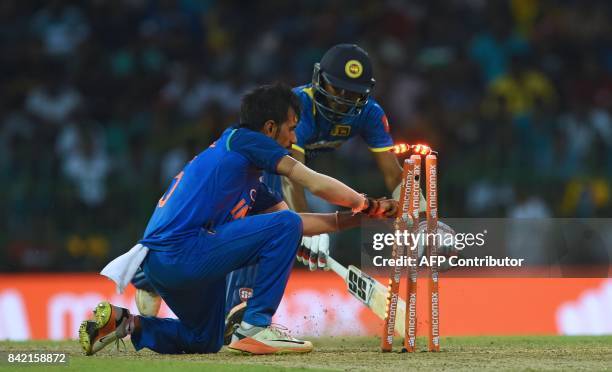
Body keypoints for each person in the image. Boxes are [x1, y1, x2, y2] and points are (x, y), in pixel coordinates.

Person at [79, 83, 397, 356]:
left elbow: (296, 220)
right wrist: (365, 202)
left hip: (166, 265)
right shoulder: (245, 139)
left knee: (205, 340)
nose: (294, 135)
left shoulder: (247, 178)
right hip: (181, 254)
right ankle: (255, 327)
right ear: (269, 128)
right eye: (290, 127)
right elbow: (310, 182)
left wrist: (359, 218)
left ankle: (124, 323)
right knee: (286, 228)